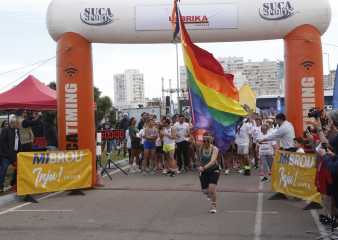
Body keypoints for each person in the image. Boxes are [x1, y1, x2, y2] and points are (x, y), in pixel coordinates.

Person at [197, 132, 220, 214]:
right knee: (205, 191)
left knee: (212, 189)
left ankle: (213, 206)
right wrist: (199, 167)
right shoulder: (200, 148)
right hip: (204, 171)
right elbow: (199, 160)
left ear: (211, 141)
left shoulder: (215, 149)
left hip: (214, 170)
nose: (206, 142)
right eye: (204, 140)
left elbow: (213, 161)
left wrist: (204, 167)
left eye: (208, 140)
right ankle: (209, 194)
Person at [0, 115, 21, 192]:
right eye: (17, 123)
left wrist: (19, 152)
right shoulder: (5, 130)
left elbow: (18, 142)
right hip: (6, 155)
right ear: (12, 123)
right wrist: (7, 154)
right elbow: (2, 143)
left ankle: (13, 183)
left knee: (18, 169)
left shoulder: (17, 130)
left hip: (15, 154)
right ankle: (0, 186)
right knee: (3, 170)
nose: (18, 124)